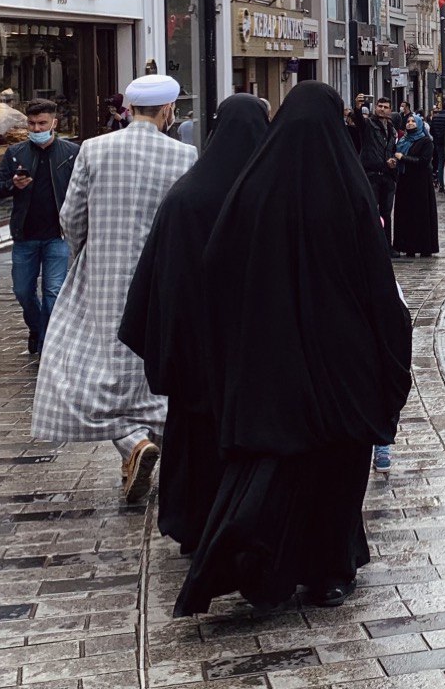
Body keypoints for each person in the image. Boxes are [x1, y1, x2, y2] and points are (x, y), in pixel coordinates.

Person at [174, 81, 411, 616]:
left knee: (281, 463)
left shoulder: (253, 188)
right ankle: (330, 569)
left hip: (270, 360)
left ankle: (269, 564)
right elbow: (378, 284)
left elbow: (216, 271)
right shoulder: (350, 191)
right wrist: (389, 353)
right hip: (341, 361)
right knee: (337, 467)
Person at [32, 75, 196, 504]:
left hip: (102, 272)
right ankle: (156, 445)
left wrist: (85, 251)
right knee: (151, 362)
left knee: (86, 361)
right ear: (166, 111)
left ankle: (132, 443)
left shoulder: (94, 148)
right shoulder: (183, 154)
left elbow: (71, 217)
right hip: (160, 273)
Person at [119, 94, 269, 550]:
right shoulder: (268, 194)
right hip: (255, 355)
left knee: (197, 438)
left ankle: (193, 526)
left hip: (195, 354)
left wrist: (169, 344)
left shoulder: (185, 196)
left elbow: (158, 282)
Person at [0, 99, 80, 355]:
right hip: (25, 235)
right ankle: (36, 327)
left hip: (58, 234)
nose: (36, 128)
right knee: (22, 291)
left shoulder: (71, 152)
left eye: (42, 123)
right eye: (31, 123)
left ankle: (46, 345)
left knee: (53, 291)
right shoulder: (16, 152)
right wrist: (13, 184)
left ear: (54, 123)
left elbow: (81, 190)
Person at [393, 114, 439, 258]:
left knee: (420, 214)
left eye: (413, 121)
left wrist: (403, 158)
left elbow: (424, 161)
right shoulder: (402, 141)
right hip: (405, 182)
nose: (410, 123)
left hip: (420, 184)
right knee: (406, 215)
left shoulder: (426, 141)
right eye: (408, 121)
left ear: (419, 124)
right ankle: (408, 246)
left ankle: (423, 246)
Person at [358, 98, 398, 247]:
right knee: (371, 211)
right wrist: (357, 107)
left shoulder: (392, 129)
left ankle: (387, 246)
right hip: (372, 174)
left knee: (386, 213)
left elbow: (392, 149)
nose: (382, 109)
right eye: (380, 106)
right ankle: (370, 245)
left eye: (385, 107)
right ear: (375, 107)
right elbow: (359, 122)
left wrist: (393, 160)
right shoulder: (369, 124)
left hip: (387, 175)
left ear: (390, 110)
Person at [428, 104, 445, 192]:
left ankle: (441, 185)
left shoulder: (435, 117)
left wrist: (436, 138)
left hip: (438, 143)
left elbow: (431, 131)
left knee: (440, 163)